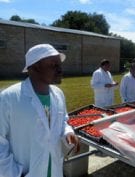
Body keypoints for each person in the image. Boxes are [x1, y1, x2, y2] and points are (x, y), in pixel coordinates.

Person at [0, 44, 80, 177]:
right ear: (34, 67)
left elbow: (63, 121)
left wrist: (68, 132)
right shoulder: (9, 98)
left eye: (59, 65)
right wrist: (13, 173)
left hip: (54, 171)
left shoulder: (58, 94)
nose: (60, 69)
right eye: (53, 65)